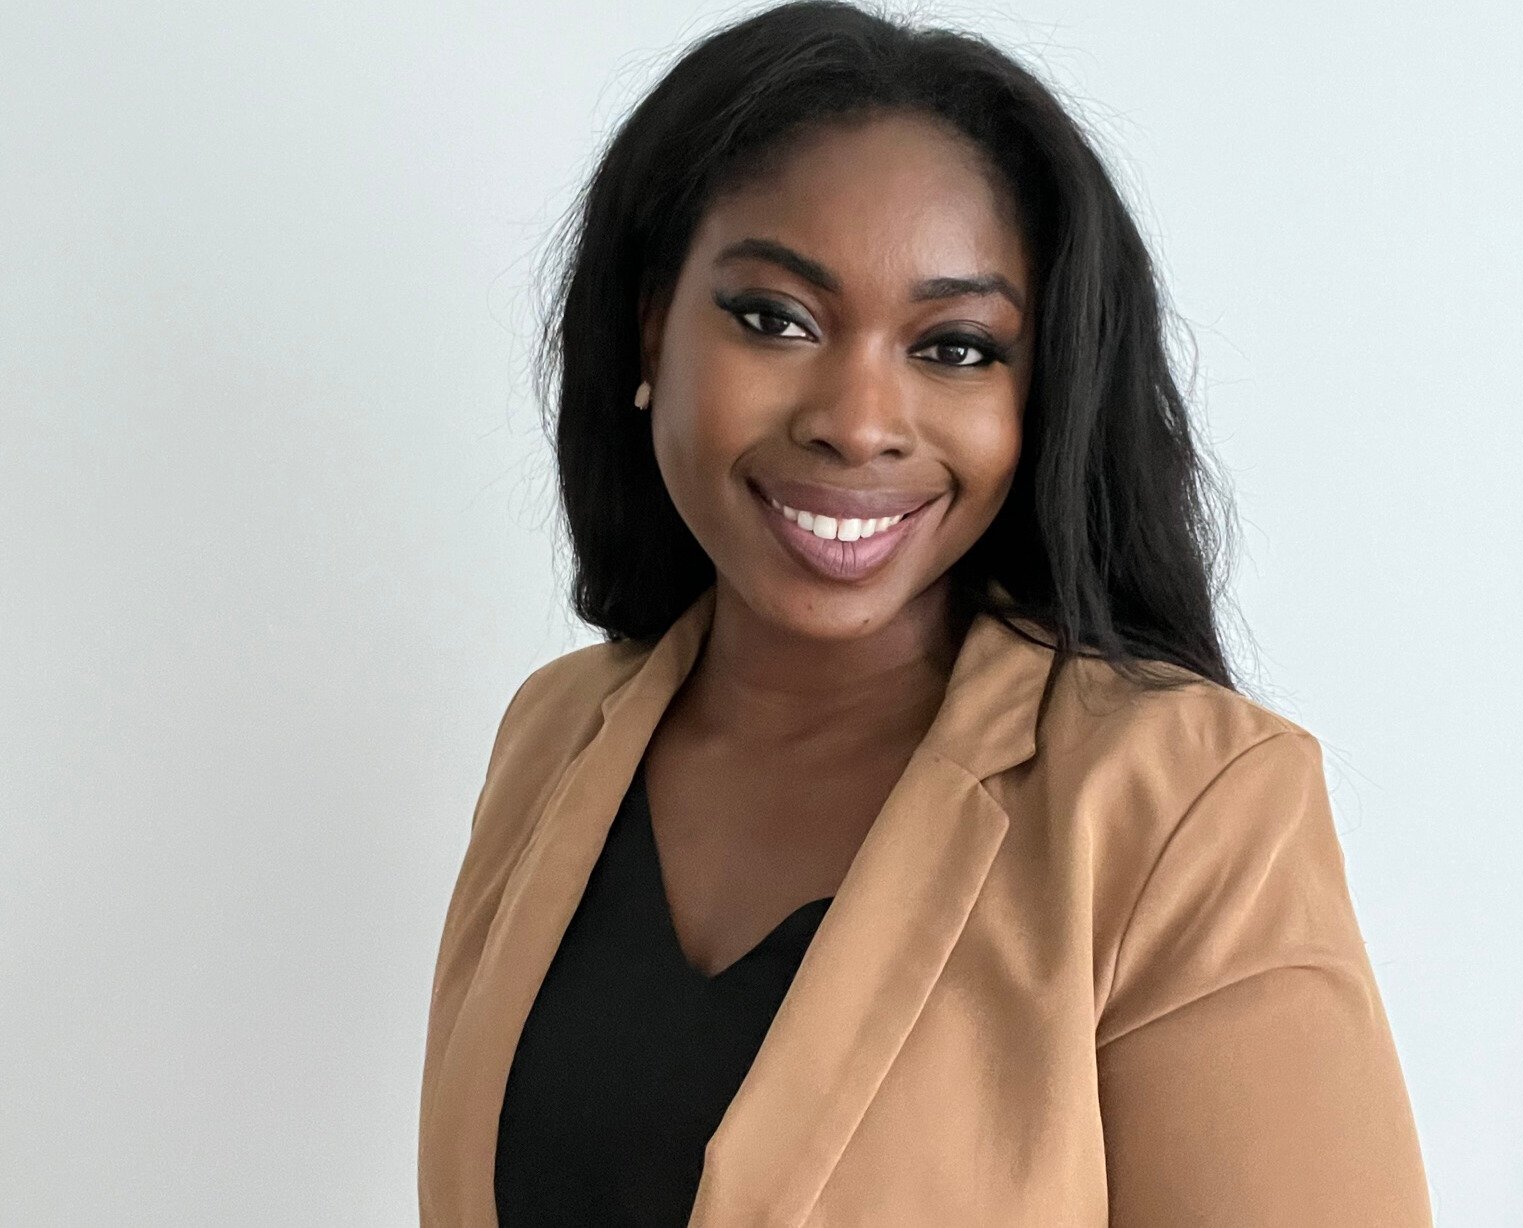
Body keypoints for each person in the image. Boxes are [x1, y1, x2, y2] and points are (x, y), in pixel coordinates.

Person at [418, 2, 1433, 1223]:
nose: (857, 421)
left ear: (1041, 395)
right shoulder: (556, 735)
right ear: (650, 327)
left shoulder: (1180, 807)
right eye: (775, 318)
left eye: (955, 347)